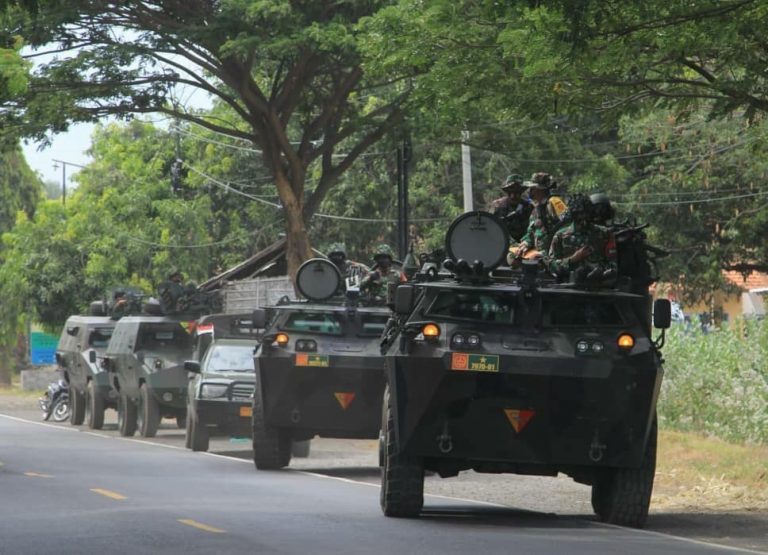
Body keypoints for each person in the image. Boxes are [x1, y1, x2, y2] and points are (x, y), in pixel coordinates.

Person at [547, 194, 617, 285]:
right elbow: (551, 265)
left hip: (597, 287)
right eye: (579, 214)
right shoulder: (561, 235)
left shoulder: (603, 233)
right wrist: (572, 259)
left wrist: (598, 269)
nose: (583, 218)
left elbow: (613, 265)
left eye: (586, 213)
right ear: (573, 214)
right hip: (567, 286)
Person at [512, 172, 568, 262]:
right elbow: (531, 232)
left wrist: (548, 253)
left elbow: (567, 228)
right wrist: (526, 243)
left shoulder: (554, 202)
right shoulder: (536, 209)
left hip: (554, 257)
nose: (530, 191)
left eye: (532, 188)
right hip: (539, 255)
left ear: (540, 189)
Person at [489, 174, 531, 242]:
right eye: (510, 192)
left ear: (521, 192)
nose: (513, 196)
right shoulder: (497, 205)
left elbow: (532, 230)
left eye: (516, 192)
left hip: (523, 245)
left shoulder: (528, 207)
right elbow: (490, 225)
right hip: (501, 243)